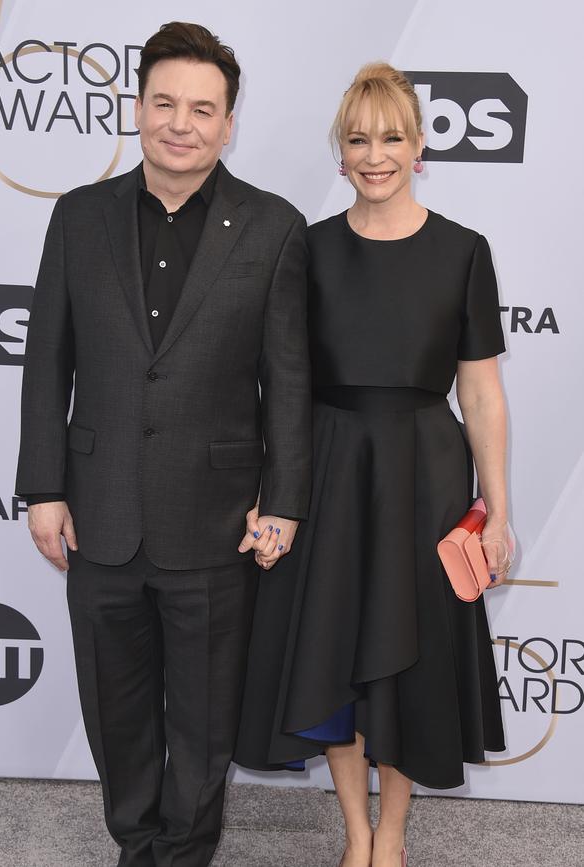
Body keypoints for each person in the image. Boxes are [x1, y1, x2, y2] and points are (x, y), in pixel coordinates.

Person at [15, 22, 311, 867]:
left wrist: (283, 500)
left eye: (203, 109)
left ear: (227, 123)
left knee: (205, 712)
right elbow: (48, 361)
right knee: (117, 704)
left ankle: (185, 849)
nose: (181, 124)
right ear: (136, 107)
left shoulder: (274, 228)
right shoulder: (78, 217)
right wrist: (44, 486)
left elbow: (287, 382)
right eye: (165, 103)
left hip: (215, 519)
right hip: (98, 509)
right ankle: (135, 841)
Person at [234, 62, 509, 867]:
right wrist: (267, 493)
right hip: (324, 471)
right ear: (340, 152)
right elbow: (277, 385)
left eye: (391, 137)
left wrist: (498, 510)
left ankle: (392, 837)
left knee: (405, 662)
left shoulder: (464, 252)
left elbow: (483, 396)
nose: (375, 153)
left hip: (424, 478)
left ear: (419, 146)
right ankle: (355, 835)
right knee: (333, 658)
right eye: (358, 139)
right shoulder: (305, 249)